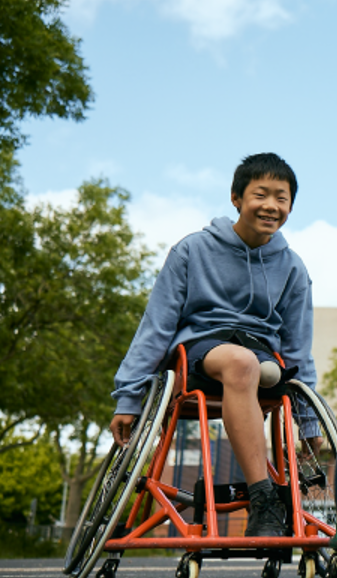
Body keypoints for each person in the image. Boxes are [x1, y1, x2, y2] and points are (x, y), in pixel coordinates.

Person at [108, 153, 321, 538]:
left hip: (260, 353)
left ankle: (272, 494)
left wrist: (308, 422)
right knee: (243, 364)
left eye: (282, 198)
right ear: (236, 198)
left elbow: (299, 349)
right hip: (197, 353)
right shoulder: (191, 251)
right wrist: (129, 397)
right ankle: (264, 497)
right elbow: (155, 328)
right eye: (261, 194)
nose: (272, 205)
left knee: (261, 366)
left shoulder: (292, 268)